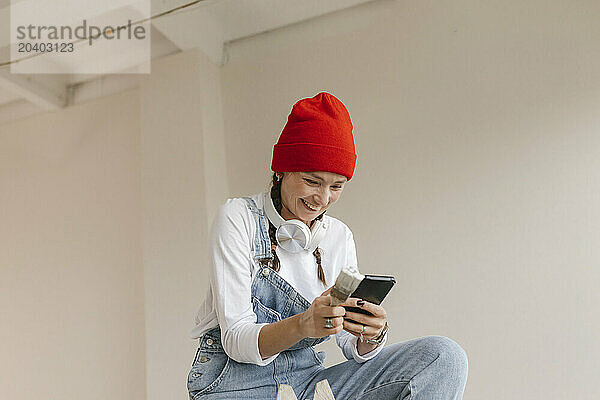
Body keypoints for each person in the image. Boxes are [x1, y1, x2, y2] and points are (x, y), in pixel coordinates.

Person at [187, 92, 468, 399]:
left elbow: (350, 346)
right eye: (312, 181)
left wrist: (369, 336)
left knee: (444, 358)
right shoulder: (238, 217)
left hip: (308, 387)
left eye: (336, 186)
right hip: (236, 387)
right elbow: (236, 339)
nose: (322, 199)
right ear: (281, 169)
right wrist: (303, 324)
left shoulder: (338, 236)